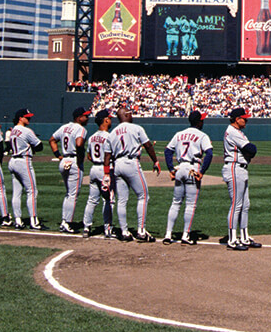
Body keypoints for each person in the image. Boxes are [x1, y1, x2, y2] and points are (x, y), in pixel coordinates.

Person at [163, 109, 213, 245]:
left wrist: (171, 169)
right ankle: (186, 235)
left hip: (180, 168)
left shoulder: (179, 134)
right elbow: (209, 153)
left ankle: (168, 234)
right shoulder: (202, 136)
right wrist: (202, 171)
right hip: (193, 168)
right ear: (199, 122)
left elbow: (167, 151)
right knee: (190, 204)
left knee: (176, 202)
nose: (203, 121)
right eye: (202, 120)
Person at [111, 105, 160, 242]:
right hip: (131, 162)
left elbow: (108, 154)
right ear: (126, 115)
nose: (132, 116)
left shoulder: (113, 132)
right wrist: (155, 161)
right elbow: (148, 145)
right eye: (130, 113)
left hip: (117, 164)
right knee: (143, 195)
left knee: (121, 200)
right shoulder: (136, 128)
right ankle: (141, 231)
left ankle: (124, 232)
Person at [222, 107, 260, 250]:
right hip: (234, 168)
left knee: (245, 205)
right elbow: (251, 149)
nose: (247, 120)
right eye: (244, 118)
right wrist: (250, 151)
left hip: (241, 168)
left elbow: (250, 150)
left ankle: (244, 237)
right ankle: (232, 240)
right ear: (237, 119)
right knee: (236, 205)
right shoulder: (232, 132)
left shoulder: (238, 132)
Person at [50, 106, 89, 234]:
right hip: (73, 161)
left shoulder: (64, 127)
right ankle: (68, 223)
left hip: (64, 160)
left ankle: (64, 221)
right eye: (85, 116)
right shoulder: (81, 129)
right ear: (79, 117)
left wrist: (57, 155)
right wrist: (80, 157)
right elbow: (79, 144)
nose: (87, 118)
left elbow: (52, 140)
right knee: (73, 194)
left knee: (68, 194)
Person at [82, 109, 118, 239]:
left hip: (94, 168)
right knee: (109, 199)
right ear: (105, 120)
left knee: (92, 199)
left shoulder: (92, 137)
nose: (111, 120)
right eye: (109, 118)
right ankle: (107, 228)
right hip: (105, 169)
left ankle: (86, 227)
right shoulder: (110, 136)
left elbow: (89, 156)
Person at [7, 108, 43, 229]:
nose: (29, 118)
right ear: (20, 118)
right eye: (27, 117)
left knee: (16, 192)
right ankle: (34, 221)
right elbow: (40, 146)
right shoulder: (26, 130)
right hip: (23, 161)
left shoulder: (13, 131)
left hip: (13, 160)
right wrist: (31, 146)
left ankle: (18, 220)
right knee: (32, 191)